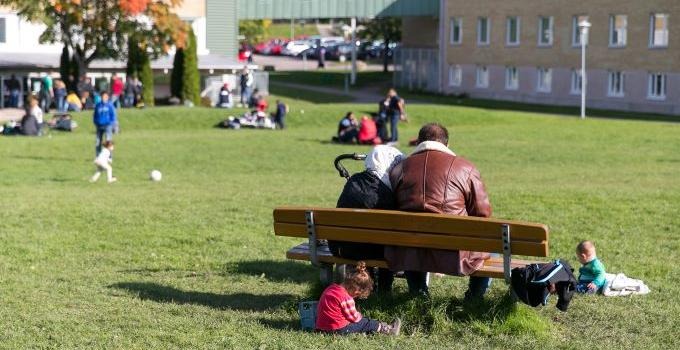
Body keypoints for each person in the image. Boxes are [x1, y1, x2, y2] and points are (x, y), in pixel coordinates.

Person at [388, 123, 492, 298]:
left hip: (409, 251)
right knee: (493, 243)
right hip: (455, 253)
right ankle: (475, 297)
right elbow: (482, 214)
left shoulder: (399, 168)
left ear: (418, 142)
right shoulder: (466, 168)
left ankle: (418, 291)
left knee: (413, 238)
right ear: (447, 145)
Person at [331, 145, 404, 293]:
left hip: (341, 248)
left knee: (370, 238)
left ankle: (368, 288)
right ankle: (385, 289)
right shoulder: (388, 193)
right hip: (371, 250)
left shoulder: (353, 181)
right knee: (389, 243)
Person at [315, 262, 401, 335]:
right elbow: (354, 318)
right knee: (366, 323)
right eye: (357, 296)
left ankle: (369, 331)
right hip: (338, 329)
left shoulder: (331, 288)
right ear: (356, 291)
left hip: (322, 327)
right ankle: (388, 329)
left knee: (360, 324)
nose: (355, 297)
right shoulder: (346, 298)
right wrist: (359, 315)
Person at [93, 92, 117, 157]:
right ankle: (98, 156)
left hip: (107, 125)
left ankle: (109, 157)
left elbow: (113, 115)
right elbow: (95, 115)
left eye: (105, 97)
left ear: (107, 97)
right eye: (103, 97)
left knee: (108, 141)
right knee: (98, 142)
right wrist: (95, 122)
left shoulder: (110, 105)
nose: (104, 98)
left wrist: (111, 123)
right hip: (99, 125)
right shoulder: (98, 105)